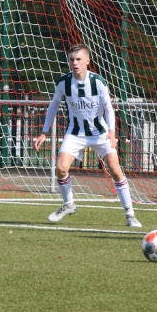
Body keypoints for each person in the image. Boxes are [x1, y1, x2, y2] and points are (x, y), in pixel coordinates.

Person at [33, 43, 141, 227]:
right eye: (71, 60)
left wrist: (112, 132)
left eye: (78, 59)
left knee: (115, 169)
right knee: (60, 168)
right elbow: (53, 106)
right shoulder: (63, 83)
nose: (75, 63)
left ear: (87, 61)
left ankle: (130, 214)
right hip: (75, 133)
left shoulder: (98, 82)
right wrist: (44, 132)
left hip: (100, 133)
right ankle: (68, 205)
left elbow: (109, 108)